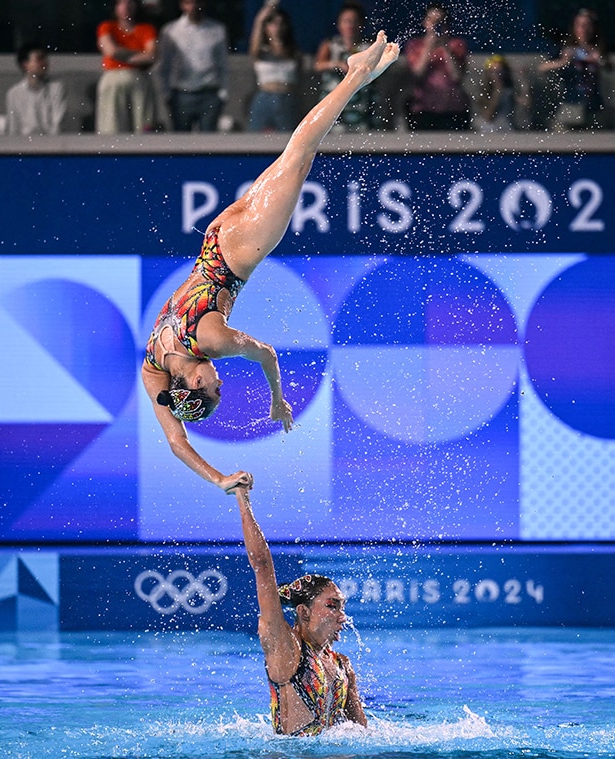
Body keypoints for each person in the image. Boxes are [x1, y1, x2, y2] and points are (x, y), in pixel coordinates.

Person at [141, 32, 399, 493]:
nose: (220, 381)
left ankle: (357, 73)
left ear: (195, 383)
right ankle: (363, 75)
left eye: (215, 388)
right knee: (291, 157)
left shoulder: (213, 342)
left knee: (300, 156)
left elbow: (267, 354)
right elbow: (176, 441)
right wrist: (218, 477)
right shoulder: (153, 365)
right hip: (216, 238)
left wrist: (278, 401)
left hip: (240, 253)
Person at [235, 486, 367, 735]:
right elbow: (262, 566)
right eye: (331, 606)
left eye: (342, 607)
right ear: (304, 612)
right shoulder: (286, 649)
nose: (342, 616)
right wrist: (243, 499)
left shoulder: (343, 666)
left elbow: (364, 735)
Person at [158, 0, 229, 132]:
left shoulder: (217, 29)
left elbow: (222, 63)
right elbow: (165, 65)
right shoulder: (171, 30)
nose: (193, 7)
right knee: (181, 145)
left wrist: (223, 93)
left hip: (210, 94)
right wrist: (166, 93)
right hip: (181, 95)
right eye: (189, 3)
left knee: (209, 145)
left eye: (197, 2)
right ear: (182, 5)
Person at [403, 3, 472, 131]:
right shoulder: (415, 45)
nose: (436, 25)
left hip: (453, 108)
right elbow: (416, 75)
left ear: (447, 24)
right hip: (423, 108)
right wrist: (429, 48)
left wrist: (446, 48)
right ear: (425, 23)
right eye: (432, 21)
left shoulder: (457, 45)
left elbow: (457, 77)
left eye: (440, 21)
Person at [538, 8, 608, 131]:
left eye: (587, 25)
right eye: (580, 25)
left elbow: (610, 67)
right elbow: (542, 67)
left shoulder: (598, 49)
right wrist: (563, 62)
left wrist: (599, 60)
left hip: (593, 105)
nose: (584, 29)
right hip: (571, 102)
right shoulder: (567, 47)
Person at [96, 0, 159, 134]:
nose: (126, 7)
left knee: (143, 127)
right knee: (112, 127)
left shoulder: (146, 29)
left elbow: (152, 56)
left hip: (139, 79)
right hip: (113, 79)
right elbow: (111, 51)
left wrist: (122, 55)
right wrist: (140, 55)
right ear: (115, 7)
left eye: (130, 3)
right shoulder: (107, 27)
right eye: (121, 3)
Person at [313, 1, 376, 132]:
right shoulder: (330, 44)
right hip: (335, 102)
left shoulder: (369, 46)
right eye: (346, 21)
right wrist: (335, 64)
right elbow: (318, 65)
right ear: (339, 24)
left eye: (354, 21)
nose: (350, 25)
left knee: (364, 140)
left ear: (361, 24)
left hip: (362, 103)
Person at [247, 1, 300, 132]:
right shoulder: (260, 50)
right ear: (266, 27)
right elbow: (257, 29)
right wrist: (268, 8)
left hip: (287, 97)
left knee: (288, 137)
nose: (278, 27)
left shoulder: (293, 52)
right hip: (265, 96)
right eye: (273, 24)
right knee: (257, 137)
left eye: (281, 23)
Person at [5, 43, 67, 136]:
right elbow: (13, 128)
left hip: (50, 145)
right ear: (25, 64)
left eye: (45, 58)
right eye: (39, 59)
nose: (45, 62)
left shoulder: (56, 88)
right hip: (23, 145)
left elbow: (58, 125)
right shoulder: (14, 93)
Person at [476, 54, 518, 133]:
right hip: (489, 131)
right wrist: (497, 91)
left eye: (500, 71)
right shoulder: (483, 92)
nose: (497, 75)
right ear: (488, 73)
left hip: (507, 130)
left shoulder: (509, 91)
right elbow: (488, 117)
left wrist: (524, 80)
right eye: (493, 72)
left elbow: (526, 103)